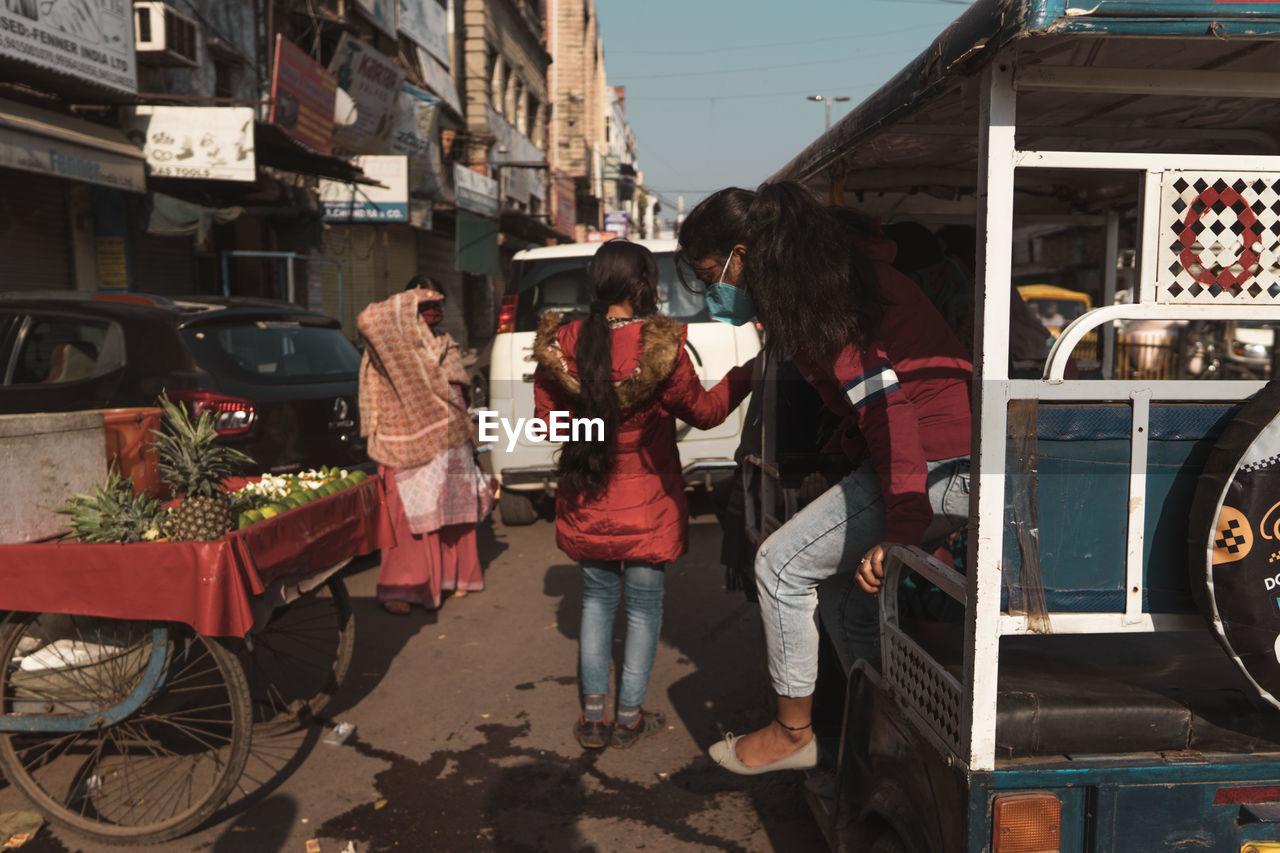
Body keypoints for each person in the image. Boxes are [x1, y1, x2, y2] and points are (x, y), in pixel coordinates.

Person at [677, 182, 973, 775]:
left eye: (714, 274)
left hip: (942, 461)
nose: (714, 291)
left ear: (744, 254)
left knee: (780, 565)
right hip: (944, 456)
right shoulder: (828, 283)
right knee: (841, 598)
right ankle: (893, 722)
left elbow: (889, 413)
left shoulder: (830, 296)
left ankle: (793, 733)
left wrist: (903, 530)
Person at [532, 241, 755, 750]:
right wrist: (747, 375)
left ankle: (591, 720)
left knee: (595, 603)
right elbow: (704, 412)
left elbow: (549, 426)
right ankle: (630, 717)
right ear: (642, 286)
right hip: (649, 503)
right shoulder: (661, 346)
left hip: (587, 498)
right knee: (642, 608)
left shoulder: (560, 343)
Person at [357, 277, 492, 615]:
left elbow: (457, 389)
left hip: (449, 438)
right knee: (406, 517)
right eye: (423, 305)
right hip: (403, 440)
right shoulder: (391, 343)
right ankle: (403, 588)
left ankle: (451, 579)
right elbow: (367, 319)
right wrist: (410, 298)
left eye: (437, 305)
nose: (432, 311)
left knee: (450, 511)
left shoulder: (445, 343)